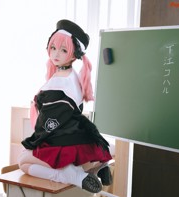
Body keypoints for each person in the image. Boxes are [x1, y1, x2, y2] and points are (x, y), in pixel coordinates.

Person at [18, 19, 112, 193]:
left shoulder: (59, 83)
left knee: (23, 160)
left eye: (63, 50)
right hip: (79, 136)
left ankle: (70, 175)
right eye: (53, 48)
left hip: (61, 140)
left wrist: (36, 140)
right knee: (27, 155)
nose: (55, 54)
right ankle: (97, 166)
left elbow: (49, 122)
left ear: (74, 54)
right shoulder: (73, 76)